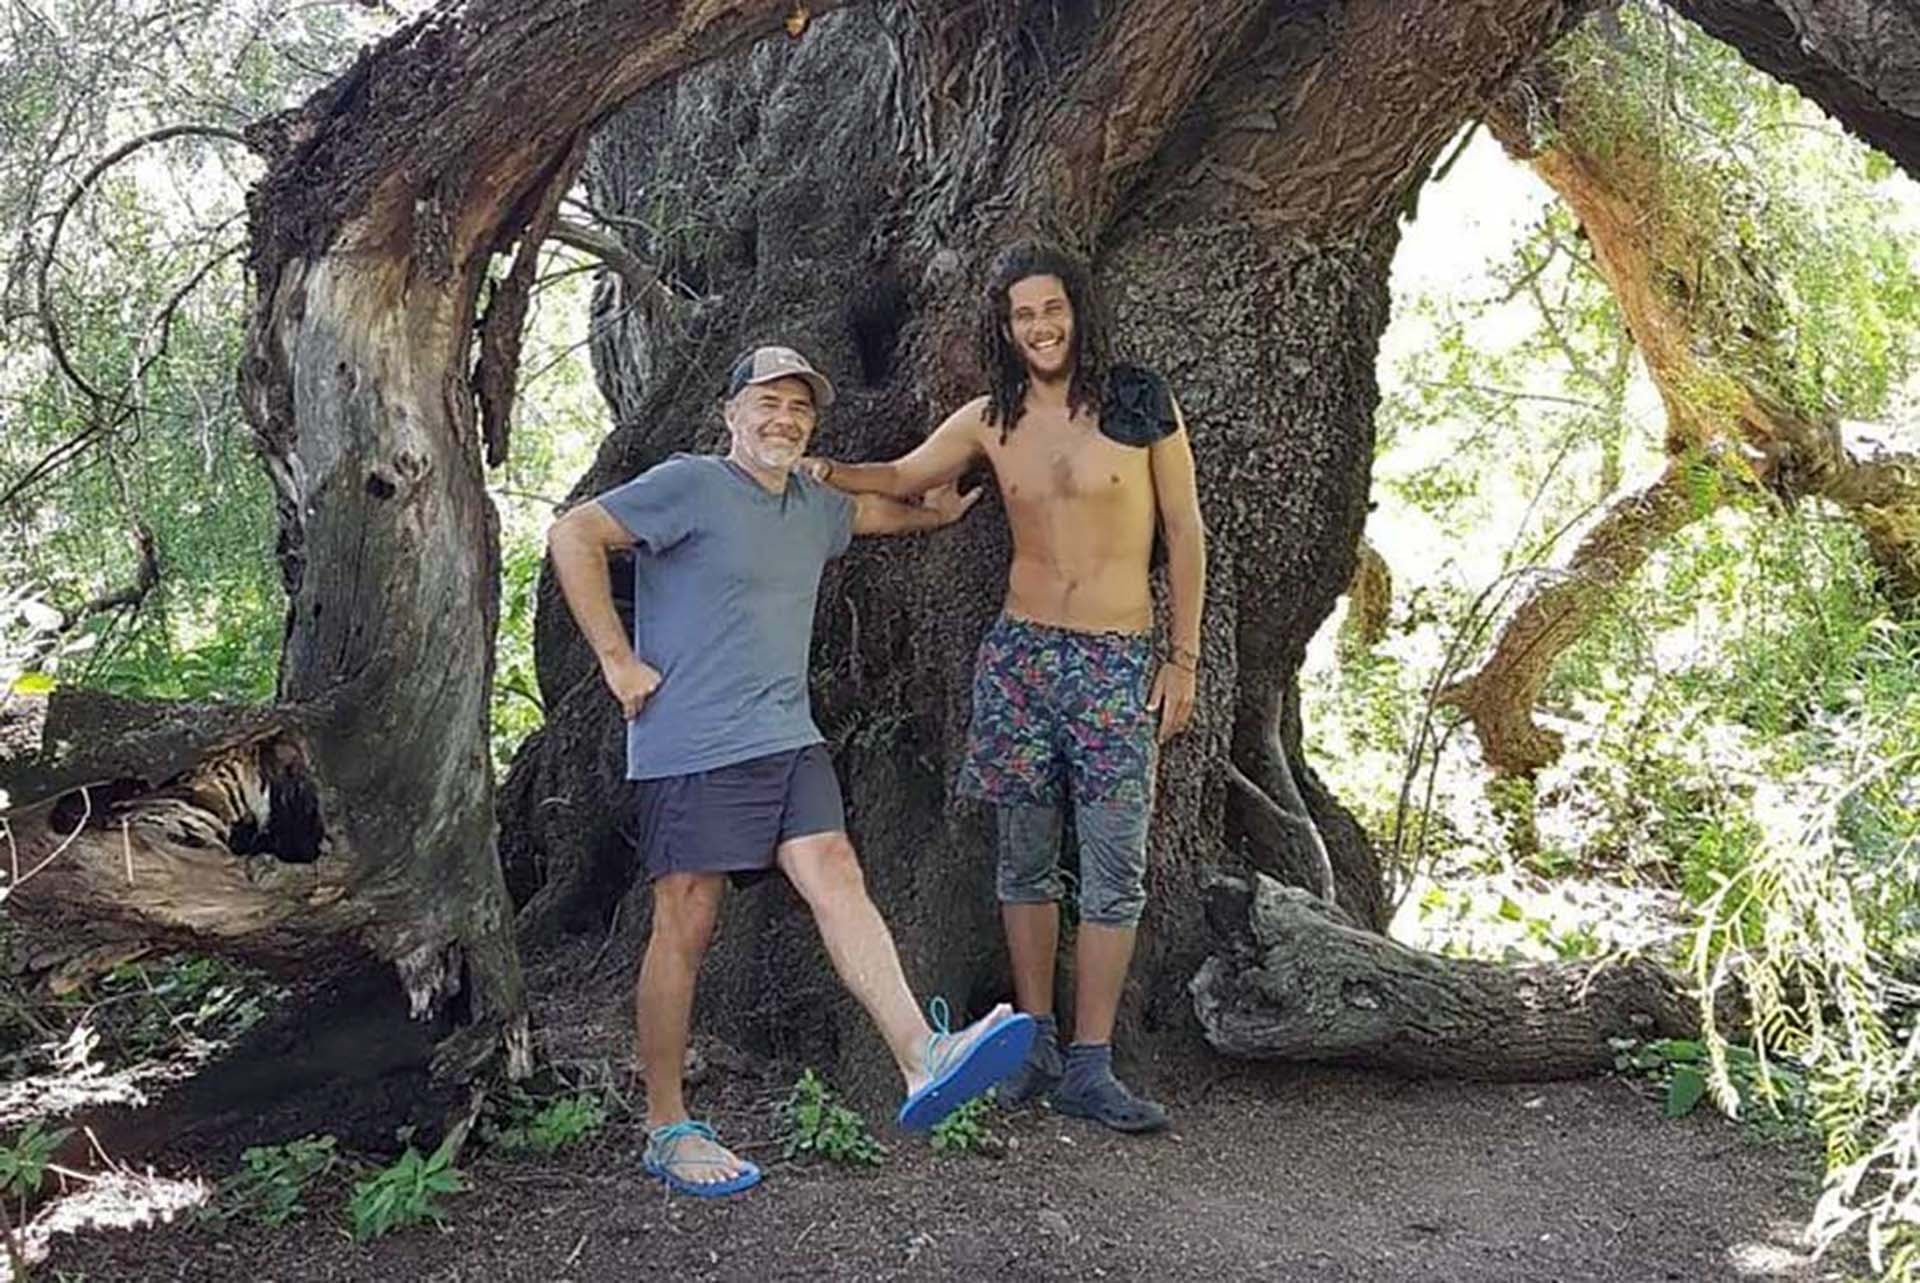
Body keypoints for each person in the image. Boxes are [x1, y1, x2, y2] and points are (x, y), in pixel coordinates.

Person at [547, 344, 1036, 1198]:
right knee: (686, 924)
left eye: (799, 409)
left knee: (836, 870)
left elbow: (879, 516)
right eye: (767, 403)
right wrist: (617, 661)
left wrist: (941, 514)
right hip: (693, 740)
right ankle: (667, 1124)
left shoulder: (812, 503)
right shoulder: (691, 483)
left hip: (785, 736)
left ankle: (923, 1055)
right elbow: (573, 532)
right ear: (732, 413)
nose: (783, 419)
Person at [805, 241, 1207, 1133]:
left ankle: (1093, 1066)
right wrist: (822, 472)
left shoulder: (1141, 401)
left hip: (1114, 663)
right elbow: (907, 475)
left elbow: (1184, 531)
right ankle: (1035, 1044)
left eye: (1052, 310)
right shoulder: (993, 417)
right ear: (1006, 327)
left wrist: (1181, 660)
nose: (1040, 327)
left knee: (1114, 870)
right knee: (1022, 861)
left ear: (1078, 310)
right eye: (1023, 315)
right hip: (1019, 660)